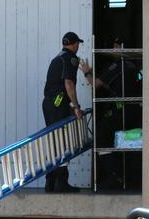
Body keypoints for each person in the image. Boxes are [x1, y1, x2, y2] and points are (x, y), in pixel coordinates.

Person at [79, 39, 142, 190]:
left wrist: (87, 72)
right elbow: (111, 84)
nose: (112, 50)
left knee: (101, 139)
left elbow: (96, 84)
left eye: (114, 47)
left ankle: (115, 177)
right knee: (125, 144)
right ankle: (129, 179)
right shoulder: (133, 65)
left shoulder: (118, 65)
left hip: (122, 110)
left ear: (121, 48)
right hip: (135, 111)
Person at [41, 31, 85, 193]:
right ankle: (61, 182)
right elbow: (68, 84)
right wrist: (76, 106)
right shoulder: (71, 58)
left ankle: (50, 182)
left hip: (49, 103)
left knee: (54, 142)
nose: (78, 47)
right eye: (78, 44)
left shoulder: (58, 57)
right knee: (63, 142)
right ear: (74, 44)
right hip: (59, 104)